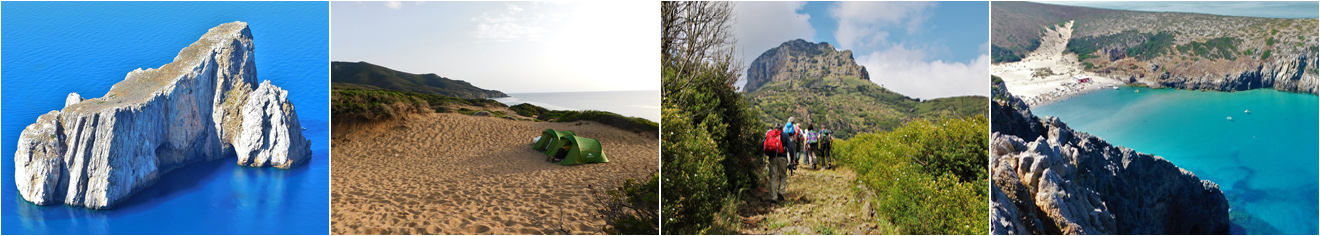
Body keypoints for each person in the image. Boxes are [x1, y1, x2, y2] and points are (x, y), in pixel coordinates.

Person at [763, 125, 788, 202]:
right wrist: (792, 159)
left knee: (773, 177)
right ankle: (780, 193)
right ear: (781, 129)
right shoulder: (784, 135)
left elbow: (762, 145)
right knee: (783, 176)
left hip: (772, 158)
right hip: (783, 158)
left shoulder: (770, 134)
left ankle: (773, 197)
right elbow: (790, 147)